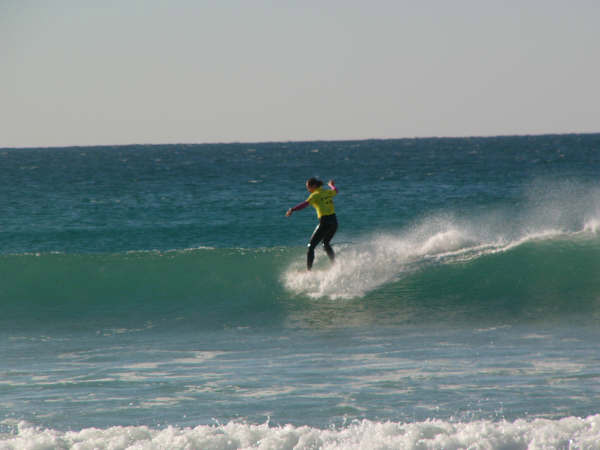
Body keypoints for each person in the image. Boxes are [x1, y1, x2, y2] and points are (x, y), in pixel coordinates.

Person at [286, 178, 338, 271]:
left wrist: (292, 209)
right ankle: (334, 264)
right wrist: (331, 185)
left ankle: (308, 271)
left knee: (311, 247)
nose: (308, 189)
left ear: (313, 186)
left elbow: (304, 204)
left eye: (308, 187)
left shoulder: (315, 195)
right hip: (334, 222)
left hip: (325, 222)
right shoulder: (327, 192)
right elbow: (335, 191)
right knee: (326, 243)